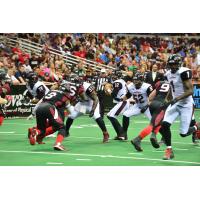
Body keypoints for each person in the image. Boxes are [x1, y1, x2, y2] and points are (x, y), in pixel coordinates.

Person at [159, 54, 200, 160]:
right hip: (176, 103)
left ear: (179, 64)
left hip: (186, 104)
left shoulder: (183, 72)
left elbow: (190, 91)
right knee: (164, 124)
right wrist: (167, 99)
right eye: (171, 64)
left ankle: (196, 127)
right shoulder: (168, 74)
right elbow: (171, 88)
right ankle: (169, 150)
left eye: (174, 64)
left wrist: (176, 99)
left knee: (184, 133)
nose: (172, 66)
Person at [28, 82, 73, 151]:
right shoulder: (65, 96)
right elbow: (69, 109)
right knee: (62, 127)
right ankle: (58, 144)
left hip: (40, 108)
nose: (68, 93)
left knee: (41, 130)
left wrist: (33, 113)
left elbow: (39, 102)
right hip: (49, 107)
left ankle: (35, 132)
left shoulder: (51, 92)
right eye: (67, 92)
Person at [65, 76, 110, 143]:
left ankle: (105, 134)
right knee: (72, 115)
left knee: (96, 116)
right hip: (83, 104)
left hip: (92, 103)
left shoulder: (87, 87)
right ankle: (66, 131)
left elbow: (96, 99)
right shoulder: (71, 86)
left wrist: (92, 110)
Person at [131, 80, 171, 151]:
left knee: (158, 122)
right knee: (153, 125)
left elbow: (150, 97)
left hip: (153, 104)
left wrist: (148, 104)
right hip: (161, 105)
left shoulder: (161, 83)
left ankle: (154, 135)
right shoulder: (175, 84)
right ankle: (138, 139)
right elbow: (170, 97)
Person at [122, 72, 153, 140]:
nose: (135, 82)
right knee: (126, 114)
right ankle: (124, 133)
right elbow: (128, 95)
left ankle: (164, 137)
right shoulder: (131, 86)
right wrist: (120, 99)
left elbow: (152, 98)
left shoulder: (147, 87)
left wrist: (146, 106)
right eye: (134, 80)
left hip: (148, 106)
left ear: (142, 80)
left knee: (154, 122)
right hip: (138, 106)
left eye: (137, 80)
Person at [106, 70, 131, 140]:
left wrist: (108, 90)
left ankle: (122, 134)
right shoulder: (122, 81)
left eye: (114, 75)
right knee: (109, 115)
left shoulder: (118, 82)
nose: (113, 77)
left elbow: (114, 94)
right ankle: (120, 134)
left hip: (123, 101)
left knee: (111, 116)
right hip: (122, 101)